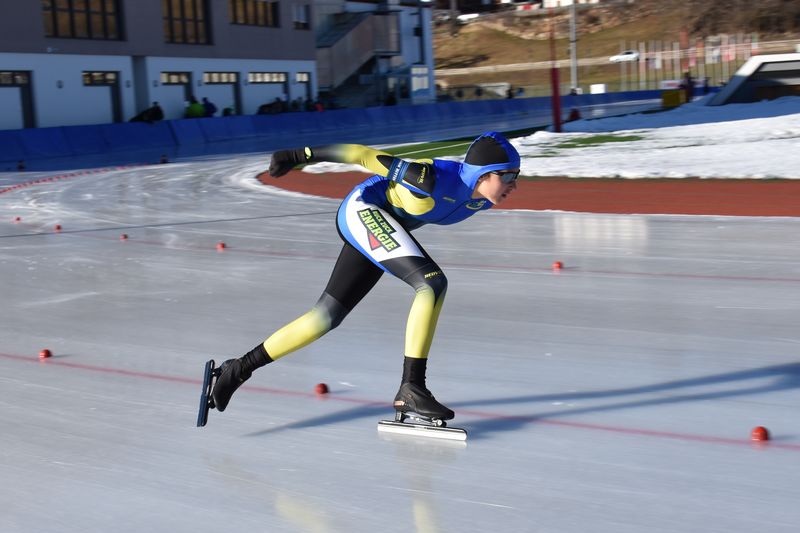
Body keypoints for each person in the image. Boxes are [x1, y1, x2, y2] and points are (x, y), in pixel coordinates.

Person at [209, 132, 521, 423]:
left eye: (516, 176)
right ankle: (412, 388)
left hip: (384, 226)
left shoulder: (480, 199)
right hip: (364, 210)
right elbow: (362, 155)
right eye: (507, 176)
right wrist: (298, 155)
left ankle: (237, 369)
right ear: (483, 173)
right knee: (431, 283)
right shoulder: (430, 178)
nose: (514, 184)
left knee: (325, 317)